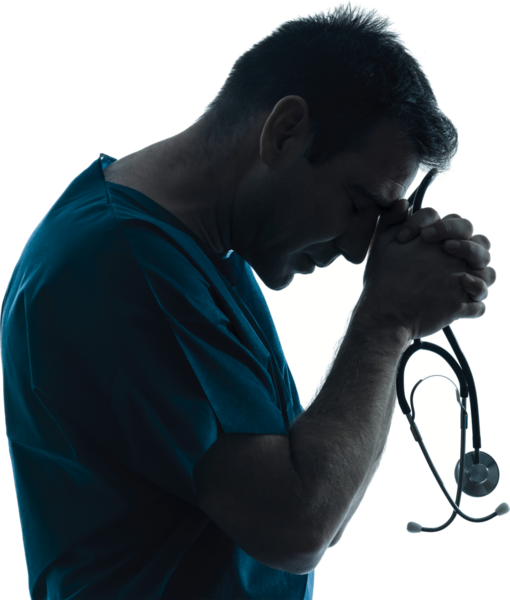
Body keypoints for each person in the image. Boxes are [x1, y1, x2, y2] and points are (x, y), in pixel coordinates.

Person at [0, 4, 496, 599]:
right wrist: (388, 318)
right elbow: (297, 523)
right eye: (359, 204)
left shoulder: (198, 247)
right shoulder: (124, 268)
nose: (358, 249)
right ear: (284, 131)